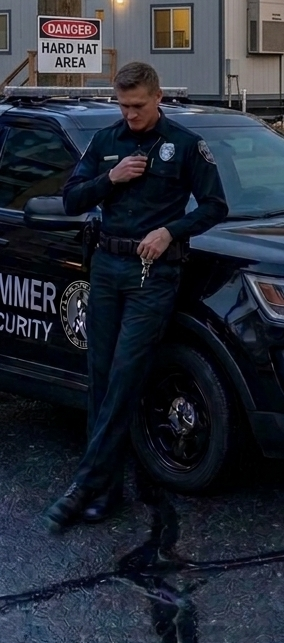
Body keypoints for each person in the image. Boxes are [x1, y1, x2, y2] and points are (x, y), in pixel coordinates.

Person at [43, 62, 228, 532]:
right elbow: (71, 200)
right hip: (106, 267)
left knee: (127, 375)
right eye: (123, 106)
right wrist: (113, 178)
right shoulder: (106, 143)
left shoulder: (185, 145)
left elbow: (214, 207)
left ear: (158, 97)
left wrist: (170, 231)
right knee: (101, 379)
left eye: (138, 106)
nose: (130, 115)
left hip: (152, 274)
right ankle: (104, 493)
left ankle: (83, 484)